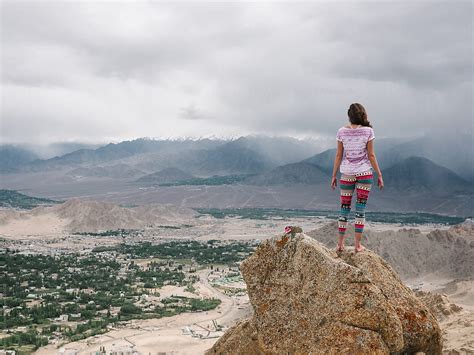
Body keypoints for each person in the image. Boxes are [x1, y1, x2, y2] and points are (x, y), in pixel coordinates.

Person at [330, 103, 384, 254]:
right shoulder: (368, 131)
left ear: (349, 116)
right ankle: (357, 246)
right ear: (363, 115)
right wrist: (379, 174)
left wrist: (334, 175)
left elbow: (339, 155)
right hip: (364, 173)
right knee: (360, 210)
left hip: (346, 173)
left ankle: (340, 244)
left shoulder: (341, 132)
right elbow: (371, 155)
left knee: (344, 208)